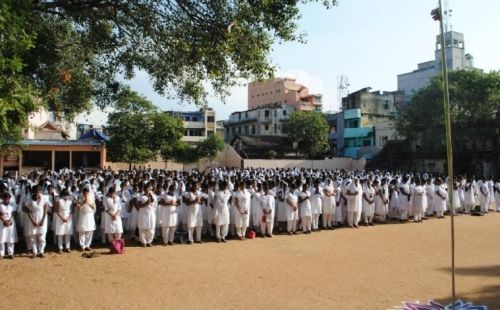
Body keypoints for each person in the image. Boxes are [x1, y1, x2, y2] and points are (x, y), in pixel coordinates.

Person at [25, 187, 49, 258]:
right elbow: (27, 211)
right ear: (33, 192)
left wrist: (43, 220)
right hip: (32, 219)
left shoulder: (44, 198)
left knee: (42, 236)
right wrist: (32, 221)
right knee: (33, 236)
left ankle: (41, 251)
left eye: (38, 192)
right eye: (35, 192)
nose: (37, 193)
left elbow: (45, 210)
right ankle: (34, 252)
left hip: (42, 218)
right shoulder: (29, 199)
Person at [76, 187, 96, 251]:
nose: (86, 194)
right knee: (82, 231)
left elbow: (93, 207)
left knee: (90, 231)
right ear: (83, 192)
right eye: (85, 192)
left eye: (87, 192)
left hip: (89, 215)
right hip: (83, 215)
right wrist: (84, 202)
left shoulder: (91, 198)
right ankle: (82, 246)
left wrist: (88, 202)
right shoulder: (80, 199)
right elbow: (78, 208)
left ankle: (87, 245)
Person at [54, 189, 74, 253]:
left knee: (67, 233)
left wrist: (68, 218)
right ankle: (60, 248)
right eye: (64, 195)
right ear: (61, 195)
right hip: (60, 217)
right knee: (60, 233)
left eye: (66, 195)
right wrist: (62, 218)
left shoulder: (70, 201)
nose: (65, 196)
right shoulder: (58, 200)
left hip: (68, 218)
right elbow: (56, 210)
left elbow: (72, 210)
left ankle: (68, 247)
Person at [0, 192, 17, 259]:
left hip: (10, 223)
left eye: (8, 198)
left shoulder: (12, 205)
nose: (6, 200)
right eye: (5, 198)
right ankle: (1, 254)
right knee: (1, 238)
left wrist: (10, 221)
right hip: (2, 223)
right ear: (2, 199)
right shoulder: (0, 205)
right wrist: (4, 221)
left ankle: (11, 253)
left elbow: (13, 214)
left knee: (10, 238)